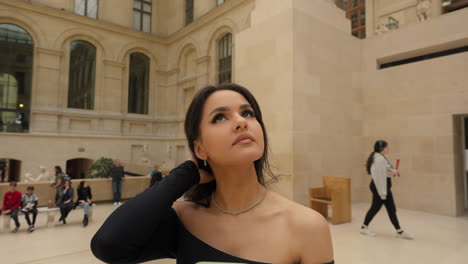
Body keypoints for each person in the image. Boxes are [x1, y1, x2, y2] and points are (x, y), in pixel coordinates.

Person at [91, 83, 334, 264]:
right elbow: (108, 245)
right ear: (199, 148)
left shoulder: (305, 226)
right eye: (220, 117)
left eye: (247, 113)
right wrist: (185, 174)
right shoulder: (185, 218)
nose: (241, 122)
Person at [361, 140, 414, 239]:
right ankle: (364, 228)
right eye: (387, 147)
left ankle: (399, 231)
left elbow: (383, 172)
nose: (388, 148)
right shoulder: (379, 159)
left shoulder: (379, 158)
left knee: (391, 209)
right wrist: (383, 193)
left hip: (381, 187)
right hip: (380, 188)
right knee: (376, 208)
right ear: (381, 148)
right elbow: (379, 177)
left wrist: (393, 172)